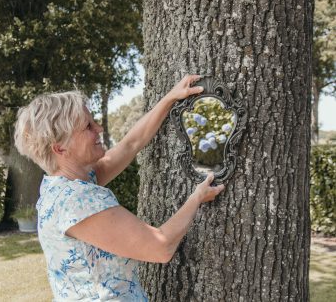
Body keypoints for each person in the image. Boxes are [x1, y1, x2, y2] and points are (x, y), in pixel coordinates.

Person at [14, 74, 225, 301]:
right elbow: (161, 247)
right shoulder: (77, 202)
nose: (99, 128)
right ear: (60, 149)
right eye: (87, 126)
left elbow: (130, 145)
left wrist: (170, 98)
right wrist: (196, 198)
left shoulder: (61, 187)